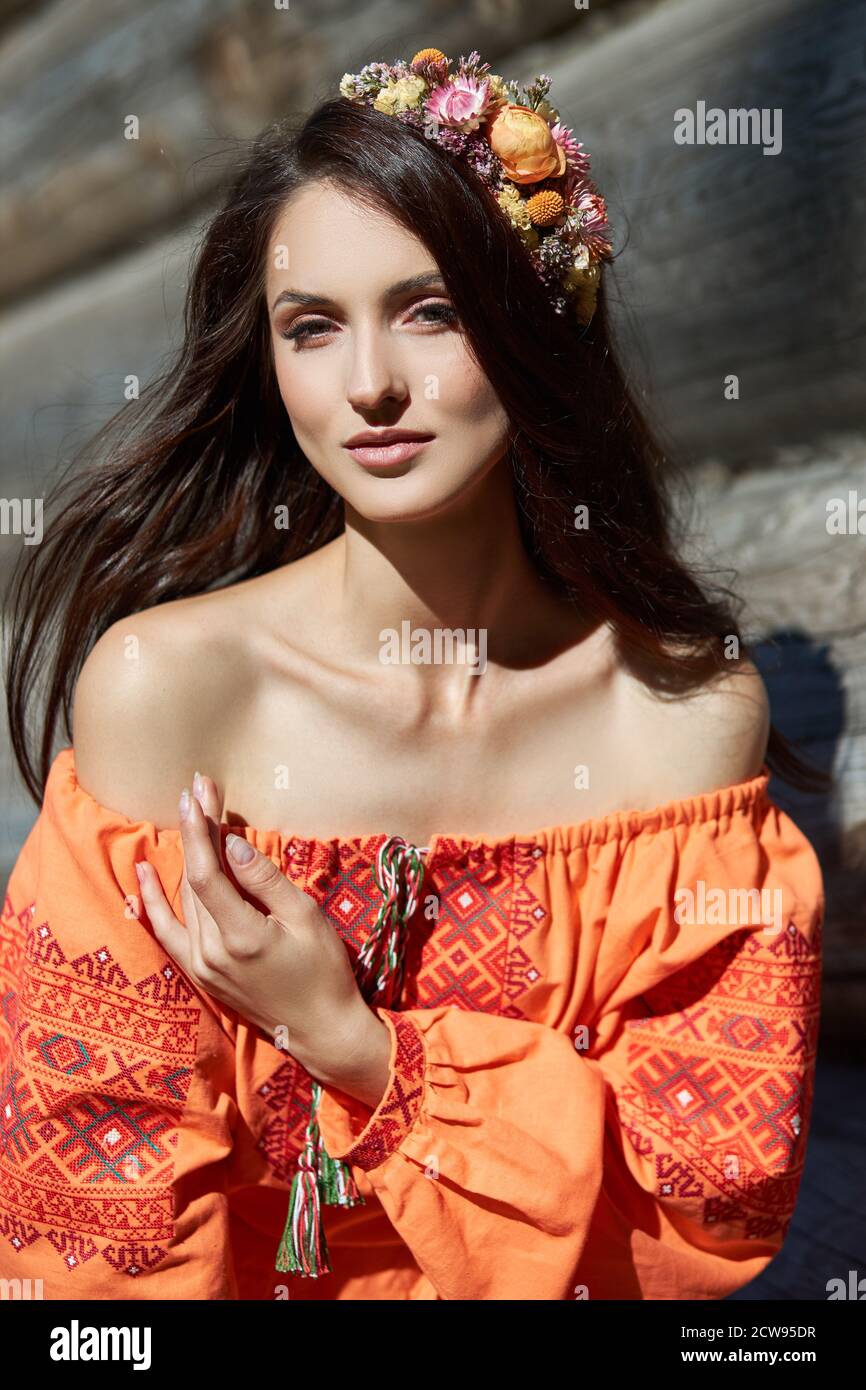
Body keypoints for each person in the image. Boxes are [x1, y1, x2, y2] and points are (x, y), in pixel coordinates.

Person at [0, 47, 826, 1300]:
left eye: (429, 310)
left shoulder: (678, 718)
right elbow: (89, 1222)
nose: (371, 383)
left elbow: (698, 1215)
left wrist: (356, 1046)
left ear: (538, 320)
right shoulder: (171, 691)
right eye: (312, 328)